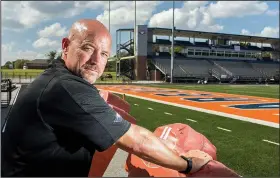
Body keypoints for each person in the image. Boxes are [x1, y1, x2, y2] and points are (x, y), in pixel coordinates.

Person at [1, 19, 212, 177]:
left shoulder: (55, 79)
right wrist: (188, 164)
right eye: (88, 48)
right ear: (65, 46)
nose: (95, 60)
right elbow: (138, 143)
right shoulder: (66, 87)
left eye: (103, 54)